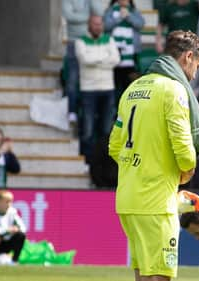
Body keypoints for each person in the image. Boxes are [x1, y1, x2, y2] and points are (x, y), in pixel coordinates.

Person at [109, 30, 199, 281]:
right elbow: (185, 148)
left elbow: (115, 145)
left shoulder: (133, 88)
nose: (195, 73)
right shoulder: (173, 90)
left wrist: (142, 169)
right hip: (155, 203)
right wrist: (183, 171)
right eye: (197, 64)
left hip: (129, 199)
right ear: (187, 58)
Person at [75, 15, 120, 169]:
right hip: (88, 89)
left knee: (106, 129)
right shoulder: (80, 41)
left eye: (100, 24)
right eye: (95, 24)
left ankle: (104, 164)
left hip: (107, 88)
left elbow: (116, 59)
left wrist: (95, 59)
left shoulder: (109, 39)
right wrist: (104, 59)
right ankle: (87, 162)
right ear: (89, 25)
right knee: (88, 128)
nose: (98, 27)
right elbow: (84, 60)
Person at [61, 0, 104, 128]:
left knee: (93, 77)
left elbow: (99, 12)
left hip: (90, 42)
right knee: (72, 80)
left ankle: (94, 111)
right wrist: (87, 17)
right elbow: (69, 16)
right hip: (73, 42)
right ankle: (72, 111)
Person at [104, 0, 145, 100]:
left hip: (131, 55)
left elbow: (140, 24)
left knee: (130, 86)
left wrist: (128, 16)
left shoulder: (134, 11)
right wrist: (119, 17)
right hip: (114, 55)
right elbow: (106, 26)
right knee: (115, 86)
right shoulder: (110, 11)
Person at [0, 190, 26, 265]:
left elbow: (23, 228)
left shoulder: (12, 212)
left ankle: (14, 261)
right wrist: (6, 231)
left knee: (20, 235)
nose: (9, 204)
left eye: (10, 202)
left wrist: (16, 229)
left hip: (5, 244)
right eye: (7, 202)